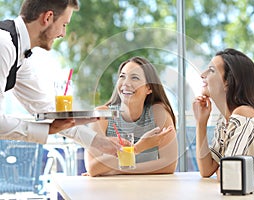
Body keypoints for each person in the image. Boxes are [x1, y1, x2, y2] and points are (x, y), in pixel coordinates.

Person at [0, 0, 120, 155]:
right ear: (48, 17)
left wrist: (98, 143)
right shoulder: (3, 44)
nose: (63, 34)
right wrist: (47, 130)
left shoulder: (19, 52)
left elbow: (45, 108)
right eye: (64, 24)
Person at [192, 48, 254, 197]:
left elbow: (230, 176)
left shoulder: (245, 115)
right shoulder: (226, 119)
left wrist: (222, 168)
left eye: (211, 71)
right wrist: (201, 123)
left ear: (228, 82)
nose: (202, 75)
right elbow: (206, 170)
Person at [84, 56, 178, 176]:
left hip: (151, 189)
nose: (126, 83)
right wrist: (137, 148)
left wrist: (116, 170)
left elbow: (169, 165)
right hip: (110, 191)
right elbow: (92, 168)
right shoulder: (102, 116)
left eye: (135, 78)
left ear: (149, 88)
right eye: (122, 76)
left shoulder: (159, 113)